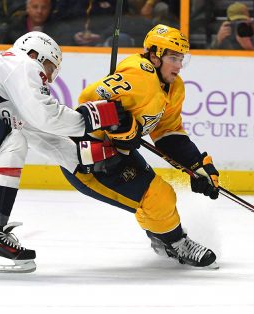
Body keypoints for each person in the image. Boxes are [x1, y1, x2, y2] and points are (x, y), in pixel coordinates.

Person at [0, 31, 121, 272]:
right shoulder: (22, 64)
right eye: (51, 67)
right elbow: (46, 117)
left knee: (12, 140)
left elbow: (33, 130)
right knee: (11, 143)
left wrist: (80, 159)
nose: (50, 79)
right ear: (35, 54)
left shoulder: (1, 81)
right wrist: (96, 118)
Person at [62, 24, 220, 268]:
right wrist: (116, 122)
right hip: (89, 158)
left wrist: (196, 165)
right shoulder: (138, 74)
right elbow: (86, 102)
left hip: (118, 153)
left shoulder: (174, 87)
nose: (179, 65)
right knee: (158, 197)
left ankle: (162, 236)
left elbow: (167, 131)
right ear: (155, 57)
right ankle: (175, 244)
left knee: (160, 196)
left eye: (182, 59)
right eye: (173, 58)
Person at [2, 0, 73, 45]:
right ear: (27, 8)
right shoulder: (14, 29)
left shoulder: (60, 29)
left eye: (44, 7)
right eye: (35, 7)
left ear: (49, 9)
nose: (39, 11)